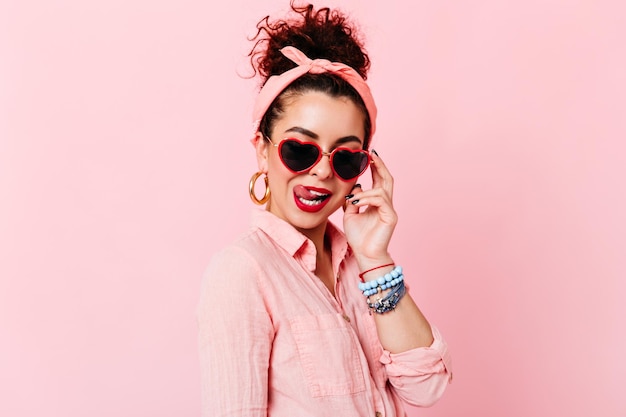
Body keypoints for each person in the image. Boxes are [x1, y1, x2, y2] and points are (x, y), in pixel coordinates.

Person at [197, 3, 452, 416]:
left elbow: (428, 387)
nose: (320, 172)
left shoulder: (359, 269)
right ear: (262, 151)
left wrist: (375, 259)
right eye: (300, 150)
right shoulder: (243, 272)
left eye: (345, 157)